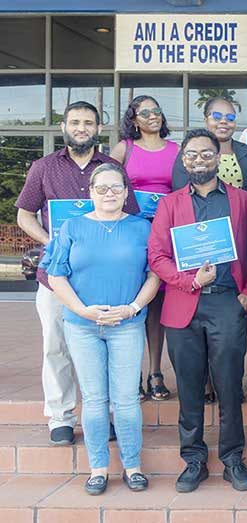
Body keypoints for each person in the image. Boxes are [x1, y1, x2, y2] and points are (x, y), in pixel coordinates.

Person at [15, 101, 139, 446]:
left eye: (88, 122)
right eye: (75, 122)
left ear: (98, 129)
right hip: (57, 277)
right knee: (56, 347)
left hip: (104, 280)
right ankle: (61, 416)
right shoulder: (43, 168)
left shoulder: (112, 167)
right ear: (63, 126)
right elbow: (25, 216)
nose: (81, 127)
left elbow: (130, 218)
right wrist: (52, 241)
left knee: (106, 350)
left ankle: (105, 416)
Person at [148, 129, 247, 493]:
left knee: (229, 387)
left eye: (206, 154)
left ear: (219, 158)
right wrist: (188, 281)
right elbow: (157, 256)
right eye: (192, 154)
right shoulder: (170, 204)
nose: (199, 160)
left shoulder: (242, 199)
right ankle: (193, 460)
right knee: (190, 388)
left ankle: (232, 459)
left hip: (228, 301)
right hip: (184, 303)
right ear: (183, 161)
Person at [46, 163, 160, 495]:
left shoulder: (143, 229)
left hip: (127, 325)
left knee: (125, 400)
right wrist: (83, 310)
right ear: (91, 192)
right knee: (95, 400)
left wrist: (134, 307)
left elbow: (154, 274)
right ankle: (98, 469)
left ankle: (132, 466)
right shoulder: (71, 227)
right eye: (102, 188)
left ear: (127, 192)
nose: (109, 194)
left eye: (116, 188)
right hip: (82, 326)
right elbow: (56, 276)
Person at [172, 96, 247, 395]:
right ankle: (205, 382)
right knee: (199, 320)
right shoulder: (186, 157)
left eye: (229, 116)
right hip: (196, 245)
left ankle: (234, 378)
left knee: (233, 324)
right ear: (206, 119)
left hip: (237, 243)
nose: (223, 121)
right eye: (217, 115)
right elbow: (182, 198)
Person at [110, 95, 180, 402]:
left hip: (166, 234)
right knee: (130, 301)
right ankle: (131, 375)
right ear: (134, 119)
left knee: (156, 306)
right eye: (145, 112)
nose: (153, 116)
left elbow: (182, 191)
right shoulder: (124, 148)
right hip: (131, 233)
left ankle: (155, 373)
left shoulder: (176, 150)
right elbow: (109, 184)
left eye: (157, 110)